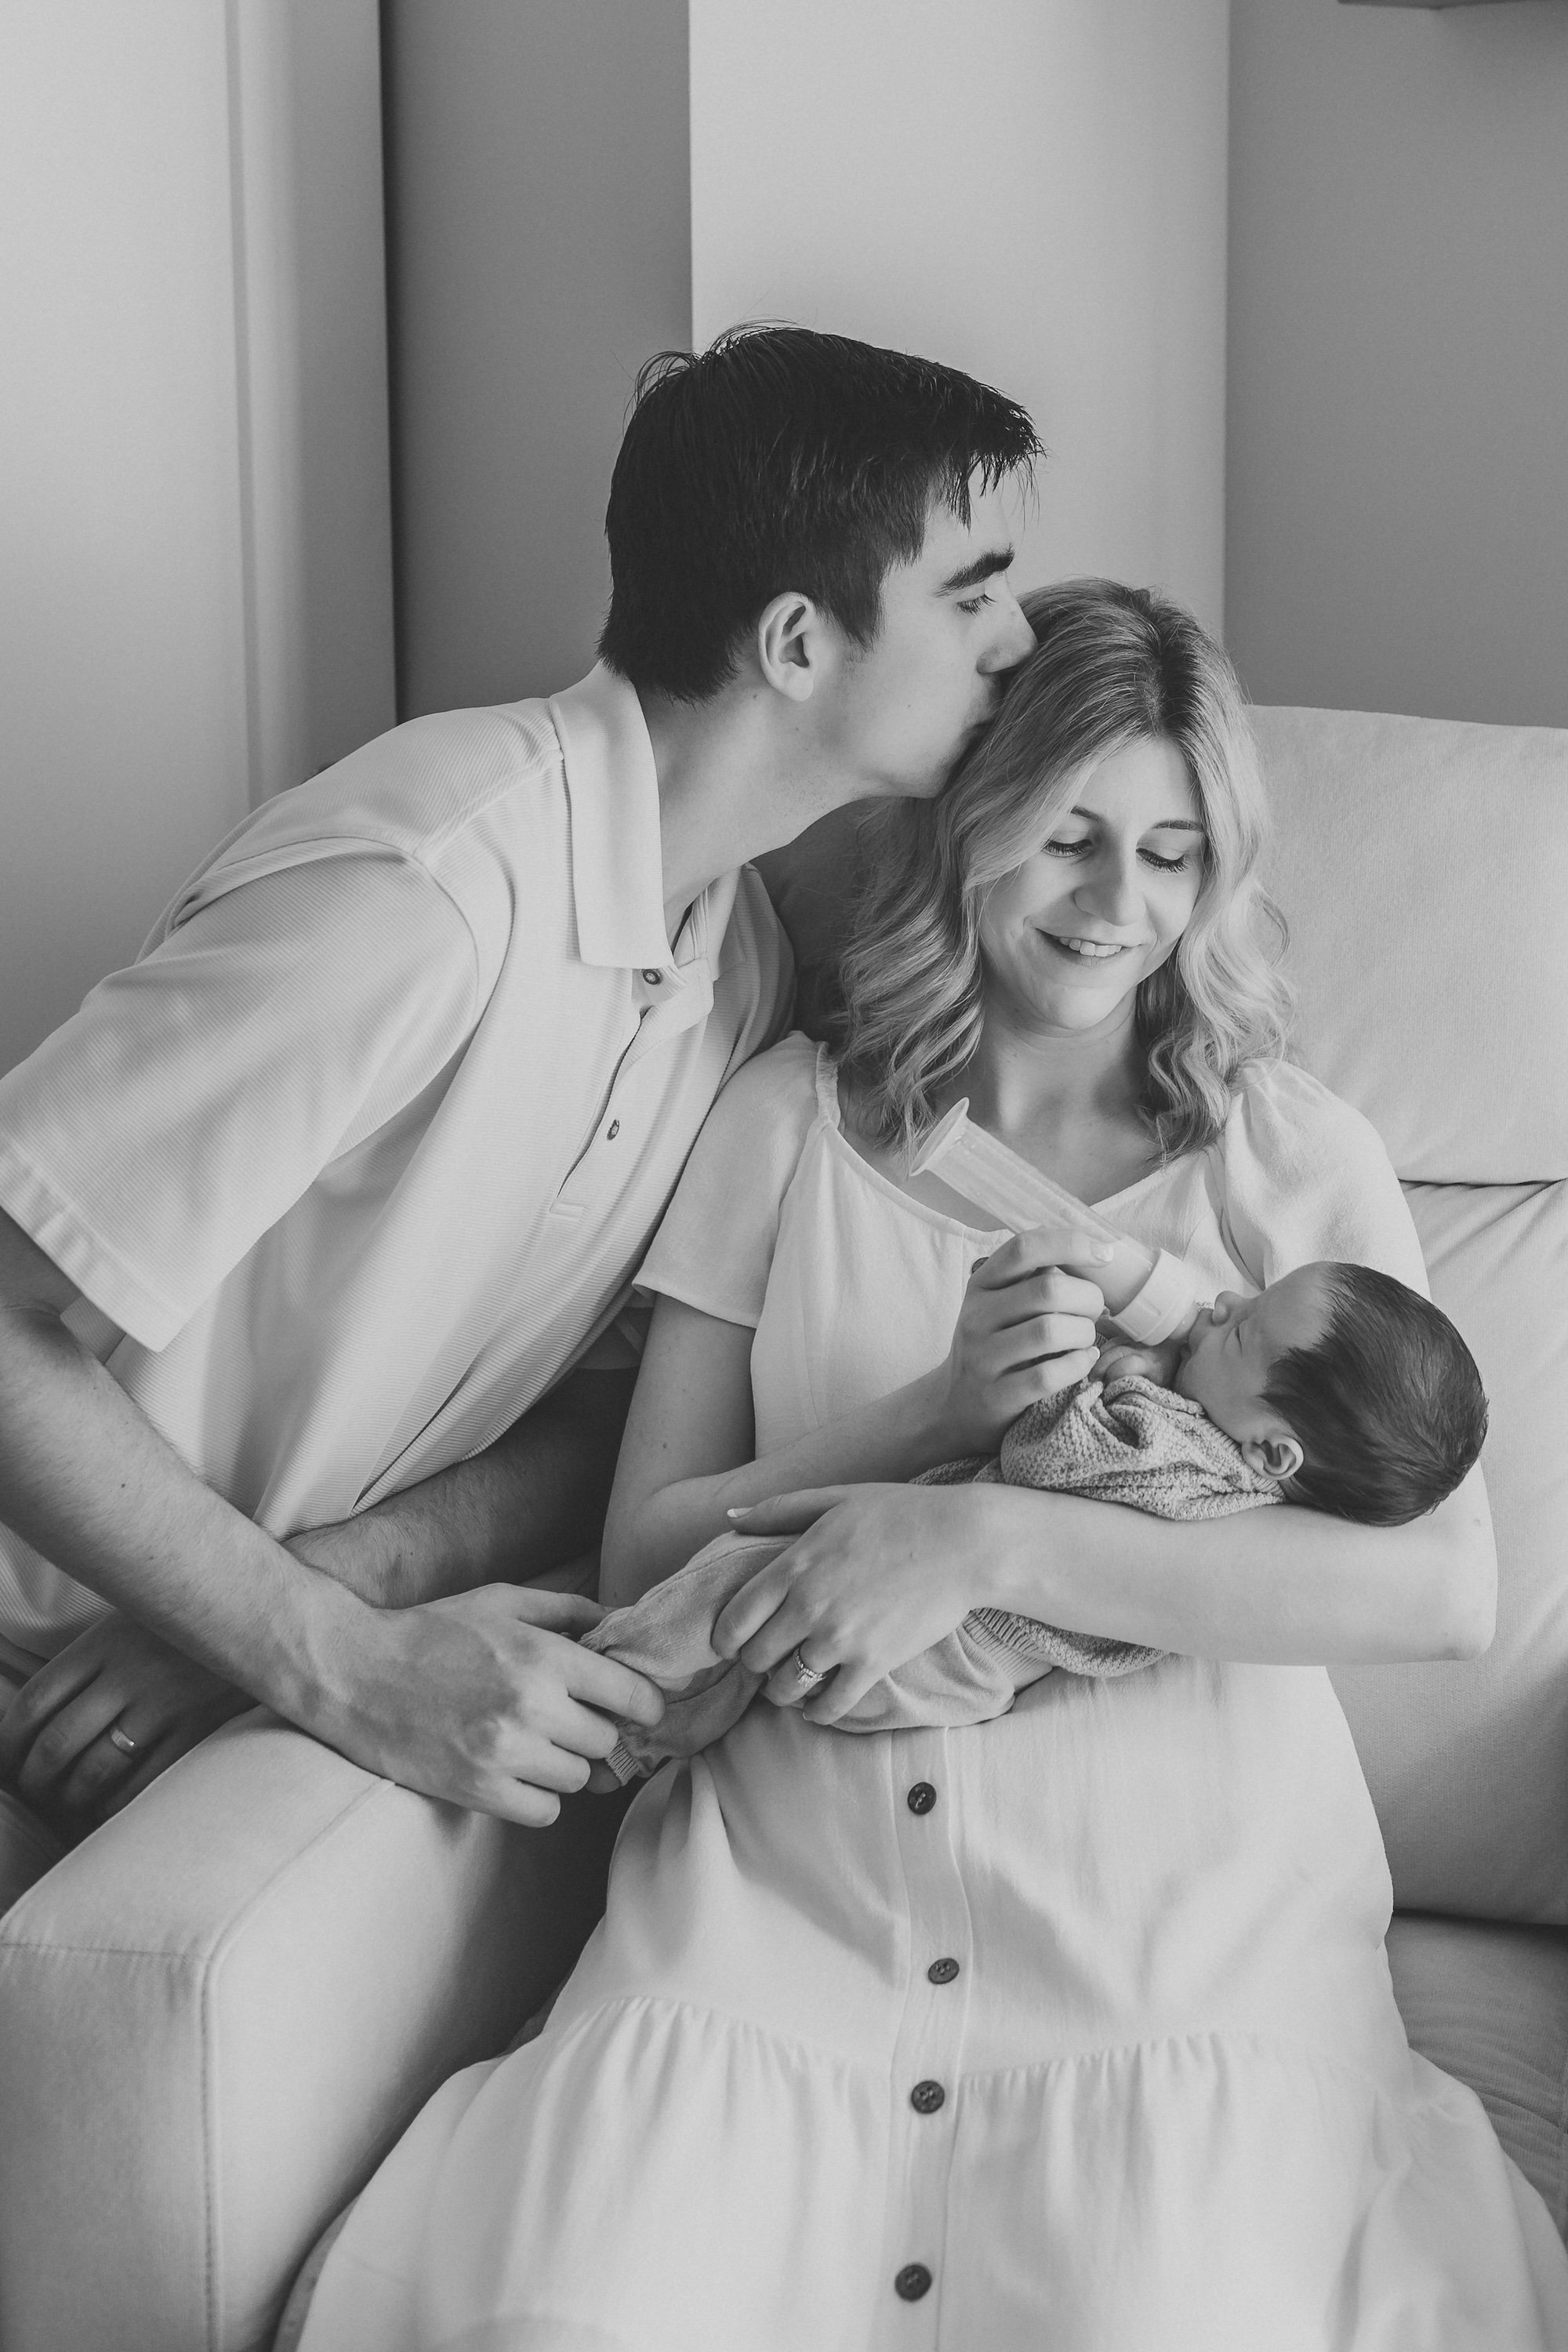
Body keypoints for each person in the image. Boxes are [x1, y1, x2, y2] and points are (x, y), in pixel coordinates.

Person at [295, 579, 1567, 2350]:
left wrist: (978, 1542)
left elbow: (1435, 1584)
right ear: (969, 820)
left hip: (1167, 1935)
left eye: (1173, 850)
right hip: (778, 1926)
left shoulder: (1287, 1160)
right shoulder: (779, 1125)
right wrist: (926, 1416)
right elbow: (647, 1543)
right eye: (1066, 834)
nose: (1117, 904)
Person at [0, 325, 1040, 1899]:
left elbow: (607, 1409)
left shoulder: (734, 960)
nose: (1014, 637)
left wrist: (283, 1605)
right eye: (972, 592)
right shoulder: (426, 889)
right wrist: (331, 1656)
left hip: (168, 1686)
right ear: (797, 643)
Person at [579, 1257, 1492, 1777]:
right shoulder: (1227, 1467)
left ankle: (614, 1700)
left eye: (1242, 1329)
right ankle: (665, 1714)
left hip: (942, 1649)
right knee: (741, 1628)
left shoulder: (1182, 1455)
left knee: (738, 1585)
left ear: (1271, 1453)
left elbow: (1044, 1462)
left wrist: (1095, 1383)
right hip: (936, 1661)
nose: (1216, 1302)